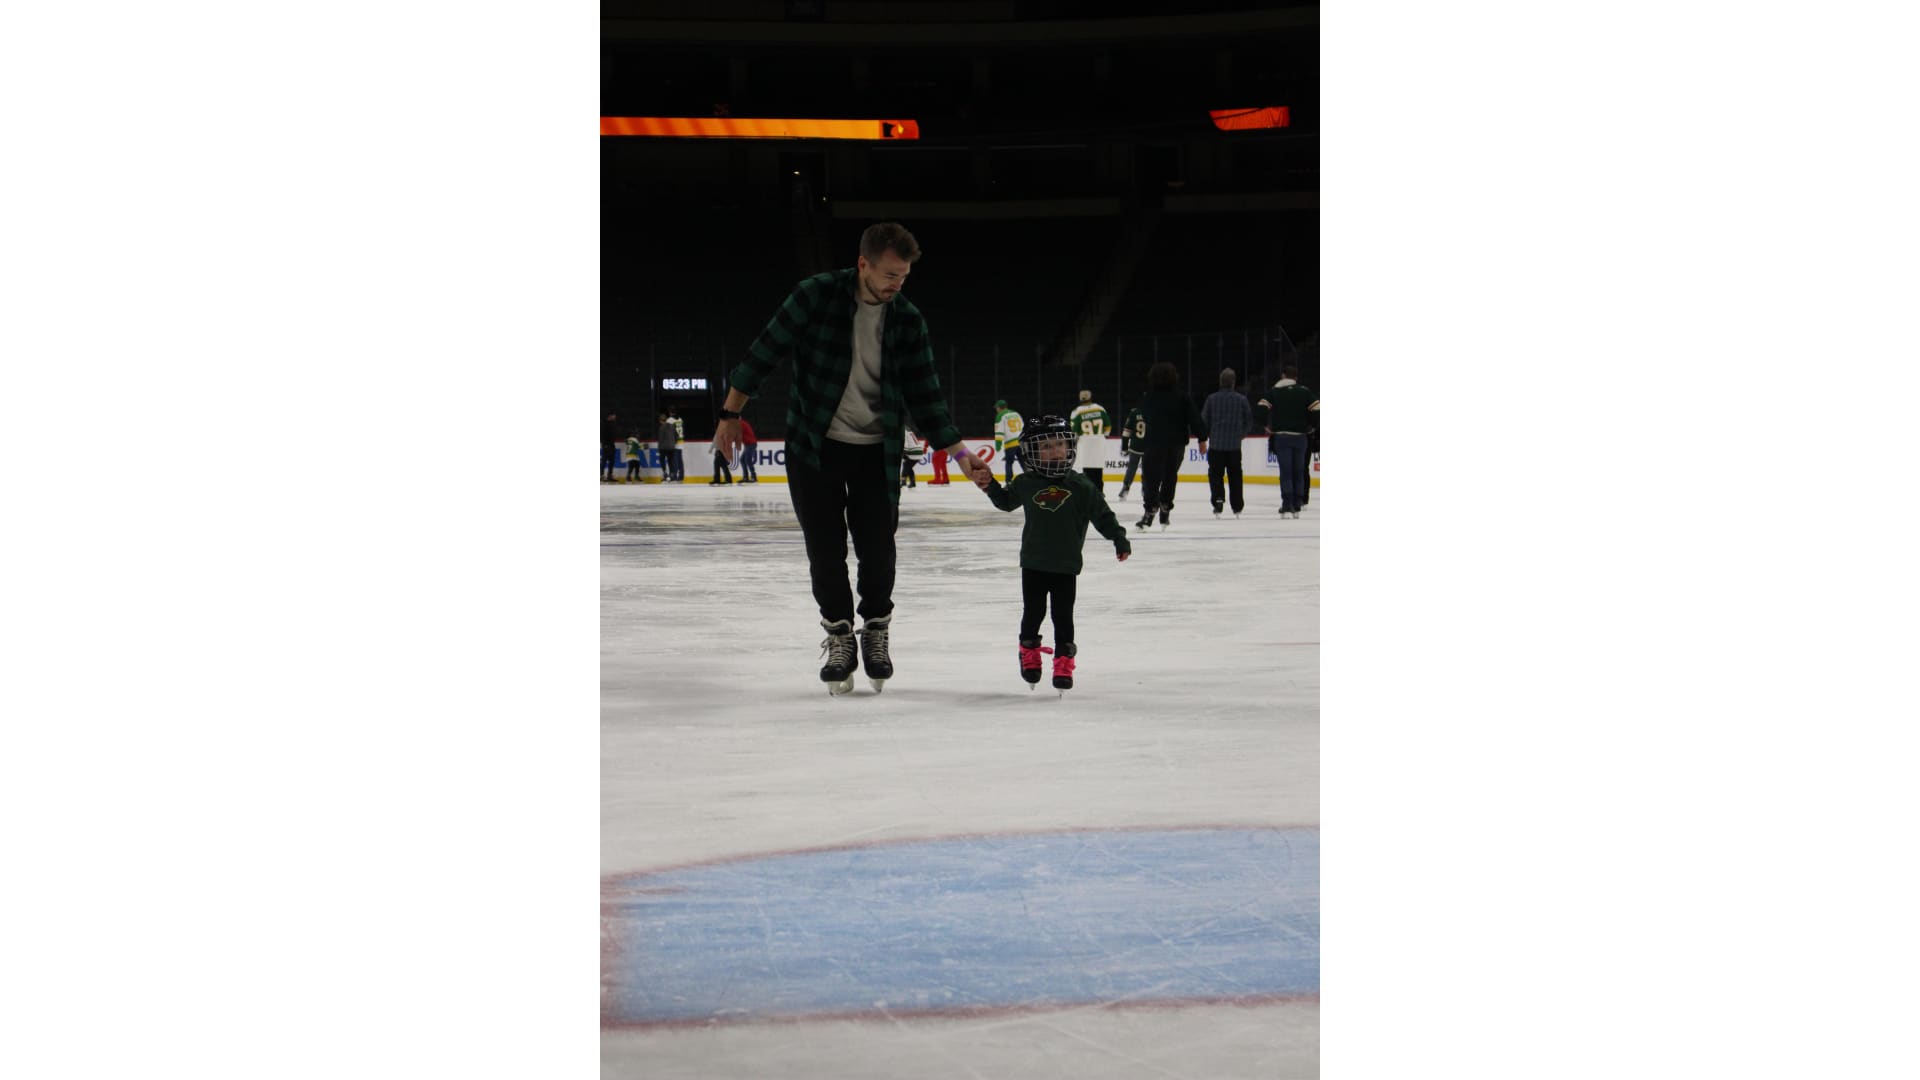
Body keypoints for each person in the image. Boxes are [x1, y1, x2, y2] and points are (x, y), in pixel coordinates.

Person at [712, 221, 992, 694]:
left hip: (877, 450)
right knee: (825, 550)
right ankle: (840, 635)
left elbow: (926, 397)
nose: (896, 285)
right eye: (889, 275)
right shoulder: (814, 296)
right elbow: (763, 353)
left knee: (879, 550)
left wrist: (961, 454)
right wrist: (730, 414)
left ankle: (876, 630)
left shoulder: (907, 320)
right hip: (814, 444)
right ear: (863, 264)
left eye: (903, 277)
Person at [979, 415, 1130, 693]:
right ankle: (1029, 652)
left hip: (1066, 565)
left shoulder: (1082, 486)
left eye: (1059, 444)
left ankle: (1063, 661)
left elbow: (1103, 515)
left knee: (1063, 616)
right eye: (1046, 446)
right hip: (1033, 563)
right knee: (1033, 612)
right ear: (1032, 452)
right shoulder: (1026, 482)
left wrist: (1118, 538)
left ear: (1069, 447)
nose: (1055, 451)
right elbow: (1006, 502)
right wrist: (990, 485)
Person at [1133, 362, 1208, 531]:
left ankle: (1150, 510)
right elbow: (1194, 418)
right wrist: (1202, 438)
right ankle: (1165, 505)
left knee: (1150, 478)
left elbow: (1142, 416)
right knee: (1170, 476)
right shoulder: (1182, 397)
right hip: (1176, 444)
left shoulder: (1148, 397)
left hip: (1154, 443)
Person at [1255, 365, 1320, 518]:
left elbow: (1261, 408)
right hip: (1301, 438)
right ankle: (1297, 503)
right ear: (1296, 378)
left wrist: (1266, 425)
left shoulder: (1275, 391)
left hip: (1282, 437)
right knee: (1299, 471)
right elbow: (1317, 409)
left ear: (1283, 376)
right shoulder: (1304, 392)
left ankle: (1287, 504)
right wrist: (1311, 426)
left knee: (1286, 472)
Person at [1200, 368, 1254, 518]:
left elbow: (1204, 421)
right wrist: (1242, 434)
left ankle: (1218, 499)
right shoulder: (1241, 400)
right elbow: (1249, 420)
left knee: (1215, 474)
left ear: (1220, 382)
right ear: (1233, 382)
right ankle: (1237, 505)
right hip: (1234, 446)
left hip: (1216, 445)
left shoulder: (1211, 399)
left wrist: (1207, 435)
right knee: (1235, 475)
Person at [1068, 389, 1110, 490]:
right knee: (1098, 471)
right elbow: (1108, 426)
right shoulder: (1100, 408)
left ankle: (1090, 493)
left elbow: (1074, 432)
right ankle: (1100, 492)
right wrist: (1103, 436)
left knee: (1087, 472)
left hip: (1085, 444)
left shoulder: (1076, 412)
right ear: (1091, 397)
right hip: (1099, 443)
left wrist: (1073, 443)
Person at [1115, 397, 1145, 501]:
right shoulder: (1154, 412)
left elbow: (1126, 431)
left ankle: (1125, 487)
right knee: (1147, 469)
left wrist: (1124, 447)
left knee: (1131, 468)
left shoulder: (1134, 413)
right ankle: (1146, 489)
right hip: (1149, 447)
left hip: (1135, 446)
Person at [993, 399, 1024, 483]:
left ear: (999, 408)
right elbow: (1023, 426)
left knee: (1009, 463)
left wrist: (998, 444)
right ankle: (1031, 479)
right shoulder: (1016, 413)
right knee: (1024, 462)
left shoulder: (1000, 416)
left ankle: (1009, 482)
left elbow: (999, 432)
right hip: (1021, 442)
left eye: (996, 408)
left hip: (1010, 443)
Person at [655, 412, 679, 484]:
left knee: (662, 460)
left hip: (663, 447)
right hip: (671, 447)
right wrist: (673, 443)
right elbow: (677, 436)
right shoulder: (672, 426)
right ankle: (672, 476)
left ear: (660, 421)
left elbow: (660, 438)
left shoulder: (661, 428)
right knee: (671, 461)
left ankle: (665, 475)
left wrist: (659, 448)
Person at [666, 408, 687, 482]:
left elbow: (669, 432)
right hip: (681, 441)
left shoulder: (670, 420)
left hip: (674, 442)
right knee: (679, 460)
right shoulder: (680, 419)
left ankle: (674, 476)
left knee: (674, 460)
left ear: (670, 412)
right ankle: (681, 476)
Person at [601, 412, 621, 483]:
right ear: (610, 416)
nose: (615, 417)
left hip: (612, 444)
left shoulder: (613, 423)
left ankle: (610, 475)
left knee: (612, 461)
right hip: (606, 444)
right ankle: (601, 475)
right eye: (614, 415)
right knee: (604, 460)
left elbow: (614, 433)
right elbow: (601, 434)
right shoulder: (603, 424)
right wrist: (604, 444)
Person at [738, 418, 759, 483]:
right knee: (742, 460)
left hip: (751, 444)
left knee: (748, 460)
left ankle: (753, 477)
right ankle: (746, 477)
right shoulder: (740, 423)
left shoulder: (741, 424)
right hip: (748, 444)